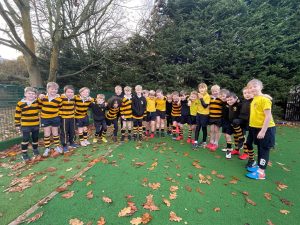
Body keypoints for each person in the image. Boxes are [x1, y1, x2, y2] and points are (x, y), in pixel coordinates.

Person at [245, 79, 276, 180]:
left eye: (255, 86)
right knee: (259, 147)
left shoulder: (264, 99)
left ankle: (261, 173)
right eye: (250, 87)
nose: (252, 88)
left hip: (266, 129)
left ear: (261, 87)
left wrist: (263, 131)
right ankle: (258, 167)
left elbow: (268, 116)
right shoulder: (255, 98)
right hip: (255, 128)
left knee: (264, 150)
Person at [15, 87, 41, 162]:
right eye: (29, 93)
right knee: (25, 139)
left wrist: (41, 96)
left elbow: (43, 103)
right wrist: (17, 124)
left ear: (35, 95)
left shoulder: (37, 102)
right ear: (25, 94)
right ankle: (24, 154)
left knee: (35, 138)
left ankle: (35, 149)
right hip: (25, 125)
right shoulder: (20, 104)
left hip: (35, 124)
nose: (31, 95)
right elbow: (17, 115)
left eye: (33, 94)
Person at [38, 82, 63, 157]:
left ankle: (57, 146)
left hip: (55, 118)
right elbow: (39, 106)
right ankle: (47, 148)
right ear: (47, 89)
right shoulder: (43, 98)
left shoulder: (59, 99)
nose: (54, 91)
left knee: (55, 133)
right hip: (45, 118)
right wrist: (39, 97)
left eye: (55, 89)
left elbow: (60, 108)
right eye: (52, 89)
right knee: (47, 134)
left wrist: (59, 116)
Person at [60, 85, 77, 153]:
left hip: (72, 117)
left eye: (72, 92)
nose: (70, 93)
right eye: (68, 92)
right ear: (65, 92)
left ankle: (72, 142)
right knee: (64, 131)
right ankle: (64, 145)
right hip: (64, 118)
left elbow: (84, 97)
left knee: (72, 130)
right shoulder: (60, 97)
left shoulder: (74, 97)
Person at [237, 87, 254, 160]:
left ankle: (246, 153)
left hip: (250, 122)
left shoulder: (254, 101)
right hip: (242, 121)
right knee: (242, 136)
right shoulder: (243, 101)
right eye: (245, 93)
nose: (247, 95)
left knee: (248, 140)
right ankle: (241, 140)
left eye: (249, 93)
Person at [192, 83, 210, 149]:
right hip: (198, 114)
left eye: (203, 88)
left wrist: (201, 98)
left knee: (204, 128)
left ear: (206, 88)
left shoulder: (207, 96)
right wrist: (189, 100)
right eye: (200, 88)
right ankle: (196, 141)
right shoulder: (198, 95)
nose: (201, 89)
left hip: (205, 115)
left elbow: (205, 106)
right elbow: (192, 98)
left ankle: (204, 141)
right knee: (198, 127)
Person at [225, 92, 241, 159]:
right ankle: (229, 149)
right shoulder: (229, 105)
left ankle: (240, 151)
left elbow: (243, 102)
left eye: (231, 99)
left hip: (238, 124)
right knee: (227, 135)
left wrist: (238, 100)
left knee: (238, 138)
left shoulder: (238, 104)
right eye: (228, 100)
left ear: (236, 98)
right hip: (230, 123)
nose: (229, 101)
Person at [207, 84, 222, 151]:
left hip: (218, 117)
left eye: (216, 91)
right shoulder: (210, 98)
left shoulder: (221, 98)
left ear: (219, 91)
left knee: (216, 130)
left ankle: (216, 143)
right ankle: (211, 142)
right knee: (212, 130)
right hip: (211, 117)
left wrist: (221, 97)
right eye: (213, 91)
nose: (215, 92)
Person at [219, 89, 233, 154]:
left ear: (227, 96)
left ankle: (229, 150)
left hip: (229, 122)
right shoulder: (222, 102)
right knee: (225, 135)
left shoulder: (230, 103)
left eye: (223, 96)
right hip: (224, 121)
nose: (222, 97)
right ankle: (228, 147)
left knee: (228, 135)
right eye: (221, 96)